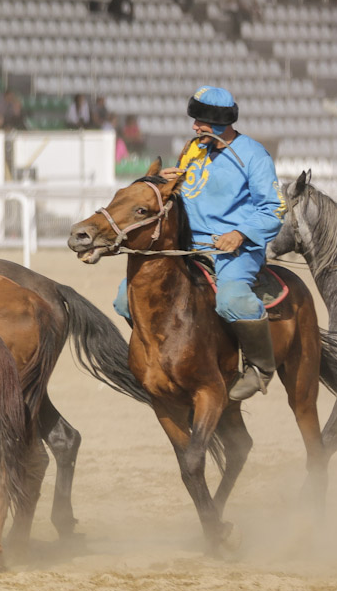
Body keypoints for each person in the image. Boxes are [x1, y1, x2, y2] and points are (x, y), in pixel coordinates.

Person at [114, 86, 284, 400]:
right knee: (125, 298)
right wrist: (165, 181)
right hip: (188, 247)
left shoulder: (253, 155)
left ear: (221, 122)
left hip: (234, 249)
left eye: (201, 122)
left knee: (232, 300)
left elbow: (274, 209)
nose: (195, 127)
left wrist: (240, 234)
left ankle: (260, 366)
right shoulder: (194, 149)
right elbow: (179, 193)